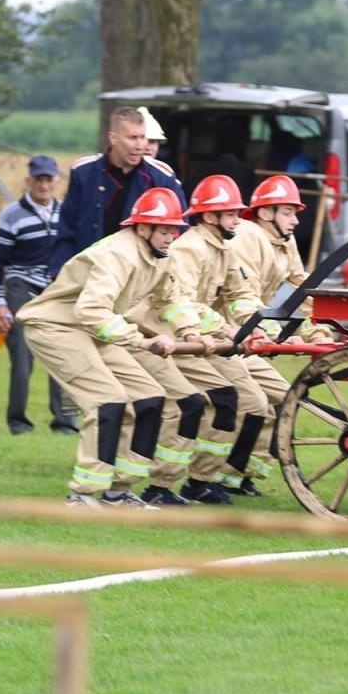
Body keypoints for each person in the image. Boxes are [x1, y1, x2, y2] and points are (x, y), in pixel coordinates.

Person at [17, 187, 217, 508]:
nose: (171, 237)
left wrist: (191, 331)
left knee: (149, 398)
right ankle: (81, 495)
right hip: (55, 327)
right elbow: (91, 311)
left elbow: (170, 299)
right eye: (164, 231)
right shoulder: (118, 255)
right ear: (142, 228)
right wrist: (141, 341)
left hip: (92, 330)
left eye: (174, 231)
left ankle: (118, 491)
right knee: (108, 401)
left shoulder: (160, 256)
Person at [128, 174, 272, 504]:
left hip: (206, 338)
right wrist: (223, 328)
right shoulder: (189, 249)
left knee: (240, 402)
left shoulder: (224, 248)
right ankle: (174, 483)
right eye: (231, 213)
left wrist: (258, 326)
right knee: (200, 404)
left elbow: (238, 294)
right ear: (209, 217)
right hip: (173, 339)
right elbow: (182, 302)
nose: (238, 219)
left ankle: (205, 479)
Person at [229, 175, 338, 491]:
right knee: (251, 401)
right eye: (288, 212)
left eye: (296, 212)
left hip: (249, 329)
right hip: (229, 332)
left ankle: (243, 475)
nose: (296, 219)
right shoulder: (248, 236)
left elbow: (302, 290)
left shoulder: (284, 241)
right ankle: (214, 476)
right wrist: (274, 333)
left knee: (280, 395)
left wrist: (318, 330)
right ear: (265, 213)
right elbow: (243, 297)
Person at [0, 155, 76, 435]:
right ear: (29, 181)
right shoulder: (12, 214)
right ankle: (18, 423)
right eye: (39, 179)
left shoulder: (67, 213)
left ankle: (66, 423)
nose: (44, 184)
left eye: (49, 179)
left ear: (57, 182)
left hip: (56, 289)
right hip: (20, 285)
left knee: (67, 355)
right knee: (22, 355)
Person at [51, 106, 186, 276]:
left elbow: (179, 230)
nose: (140, 146)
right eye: (132, 138)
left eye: (143, 137)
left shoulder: (162, 176)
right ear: (113, 138)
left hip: (142, 274)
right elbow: (67, 230)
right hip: (88, 270)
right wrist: (58, 274)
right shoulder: (83, 173)